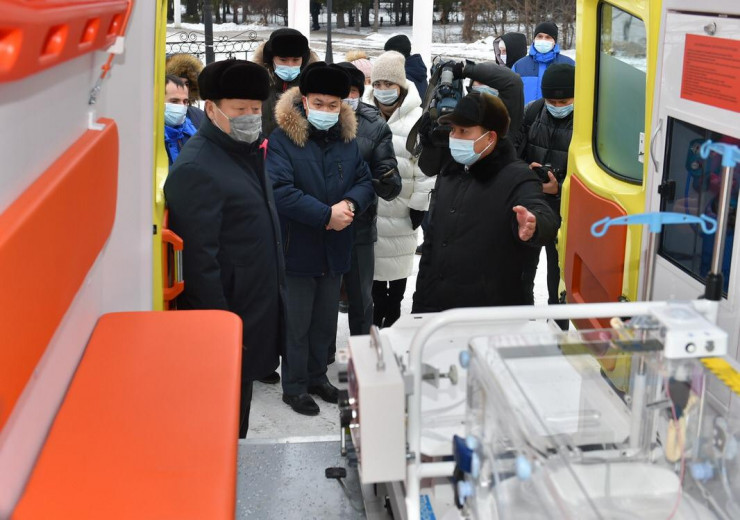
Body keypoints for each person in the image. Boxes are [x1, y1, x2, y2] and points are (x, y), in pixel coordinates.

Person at [164, 60, 284, 438]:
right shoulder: (198, 166)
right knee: (222, 428)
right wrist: (222, 335)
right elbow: (200, 264)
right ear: (211, 109)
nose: (250, 117)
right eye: (239, 109)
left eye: (255, 109)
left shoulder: (243, 151)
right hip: (229, 324)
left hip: (252, 311)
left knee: (238, 419)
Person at [266, 62, 374, 416]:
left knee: (325, 321)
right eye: (319, 103)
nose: (326, 110)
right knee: (297, 323)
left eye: (333, 105)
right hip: (297, 247)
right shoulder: (283, 140)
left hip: (335, 248)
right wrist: (326, 215)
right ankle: (295, 386)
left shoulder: (347, 140)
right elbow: (280, 190)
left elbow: (365, 180)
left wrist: (350, 204)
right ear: (304, 101)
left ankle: (316, 377)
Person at [412, 92, 558, 312]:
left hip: (489, 316)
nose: (454, 137)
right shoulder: (450, 173)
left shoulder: (517, 177)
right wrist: (421, 305)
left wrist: (534, 224)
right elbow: (433, 244)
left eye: (464, 131)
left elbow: (543, 214)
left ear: (490, 138)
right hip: (438, 311)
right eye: (452, 130)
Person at [362, 51, 432, 328]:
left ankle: (393, 311)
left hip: (403, 207)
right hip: (369, 206)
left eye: (388, 84)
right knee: (374, 268)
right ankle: (378, 311)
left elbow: (426, 167)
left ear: (400, 86)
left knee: (399, 263)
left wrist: (419, 204)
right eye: (378, 84)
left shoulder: (418, 118)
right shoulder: (363, 114)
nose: (383, 90)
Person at [334, 61, 401, 343]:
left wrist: (384, 179)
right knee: (324, 298)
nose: (347, 97)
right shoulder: (316, 119)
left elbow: (389, 178)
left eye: (353, 91)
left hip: (360, 225)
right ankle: (323, 356)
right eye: (342, 91)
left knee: (361, 298)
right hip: (322, 222)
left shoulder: (375, 125)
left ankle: (362, 351)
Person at [515, 64, 575, 326]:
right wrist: (528, 175)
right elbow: (514, 155)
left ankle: (558, 327)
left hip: (567, 210)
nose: (557, 106)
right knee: (522, 271)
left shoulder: (588, 122)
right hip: (532, 204)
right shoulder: (532, 112)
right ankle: (521, 323)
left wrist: (559, 187)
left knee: (559, 275)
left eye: (564, 102)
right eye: (552, 101)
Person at [252, 28, 319, 136]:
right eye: (283, 60)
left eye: (296, 60)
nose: (290, 65)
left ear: (303, 59)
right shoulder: (256, 83)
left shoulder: (314, 85)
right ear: (271, 58)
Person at [512, 21, 575, 104]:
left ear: (554, 41)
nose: (543, 40)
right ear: (534, 39)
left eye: (548, 37)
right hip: (527, 112)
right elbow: (512, 95)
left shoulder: (569, 64)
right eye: (540, 36)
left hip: (557, 111)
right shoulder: (519, 66)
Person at [462, 60, 525, 136]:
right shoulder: (461, 115)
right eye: (481, 82)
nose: (486, 86)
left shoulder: (508, 118)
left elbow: (514, 81)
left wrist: (468, 69)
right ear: (472, 85)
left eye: (493, 84)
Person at [164, 75, 197, 166]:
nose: (182, 106)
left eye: (185, 101)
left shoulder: (194, 132)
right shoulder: (147, 138)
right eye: (174, 101)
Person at [166, 53, 206, 127]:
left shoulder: (199, 116)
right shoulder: (149, 118)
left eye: (186, 84)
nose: (183, 88)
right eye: (176, 83)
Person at [384, 34, 428, 99]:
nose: (385, 57)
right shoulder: (416, 69)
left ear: (396, 54)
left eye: (387, 54)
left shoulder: (402, 77)